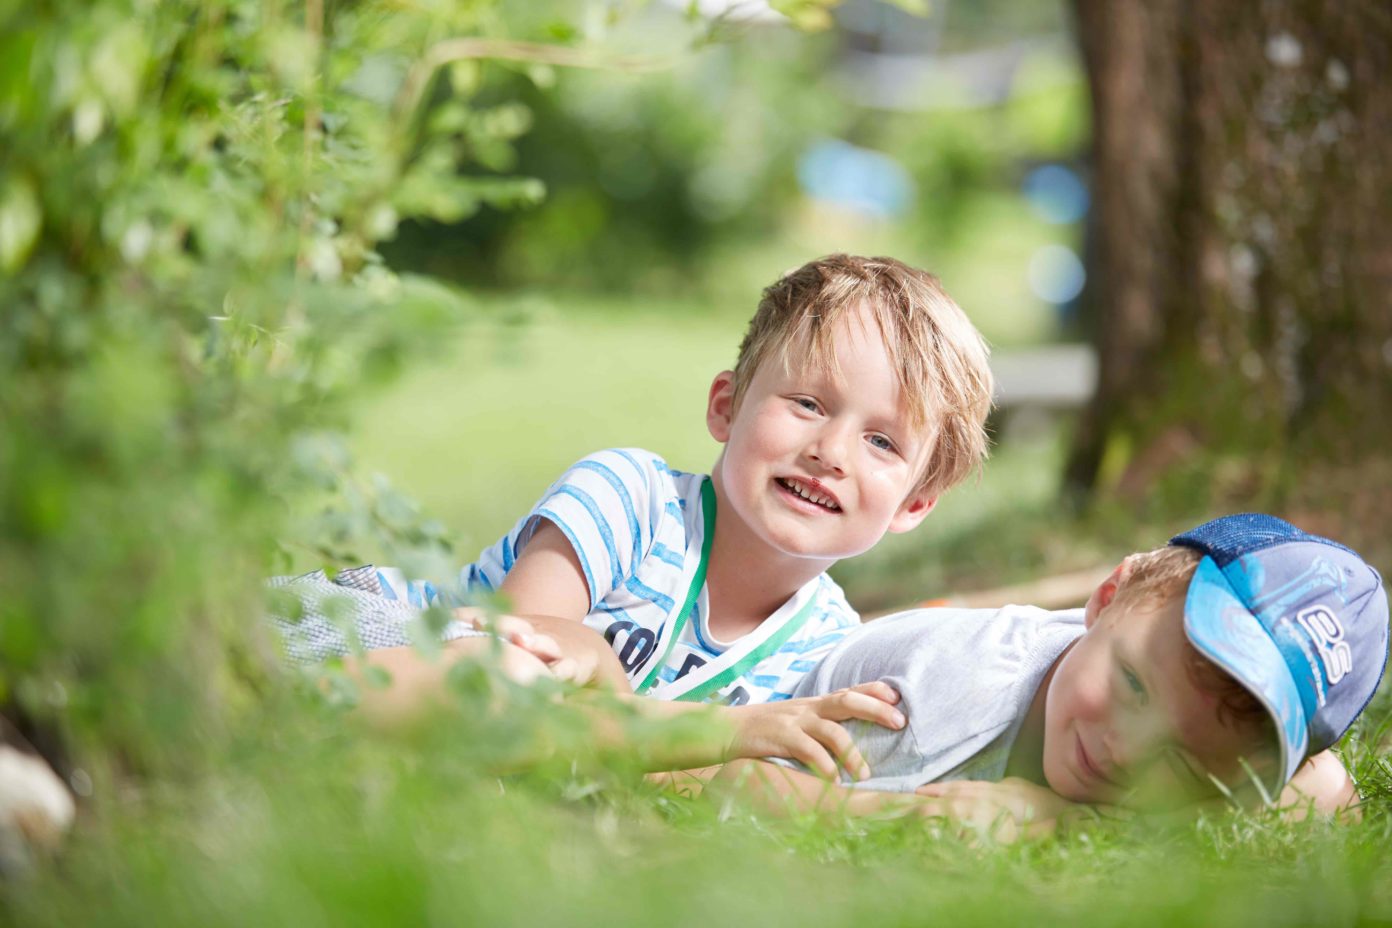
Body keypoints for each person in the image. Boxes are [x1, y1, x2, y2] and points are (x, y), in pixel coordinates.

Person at [272, 253, 994, 778]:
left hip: (477, 723)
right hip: (367, 636)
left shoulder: (822, 646)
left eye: (881, 442)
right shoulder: (630, 497)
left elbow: (704, 768)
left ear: (916, 504)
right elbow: (517, 633)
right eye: (807, 403)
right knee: (515, 684)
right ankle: (235, 690)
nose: (830, 451)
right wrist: (648, 706)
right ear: (726, 406)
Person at [697, 514, 1388, 832]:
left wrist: (1071, 821)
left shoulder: (1152, 651)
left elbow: (1327, 792)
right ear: (1107, 598)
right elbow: (714, 772)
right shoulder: (934, 704)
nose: (1127, 750)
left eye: (1186, 760)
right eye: (1134, 686)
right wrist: (898, 814)